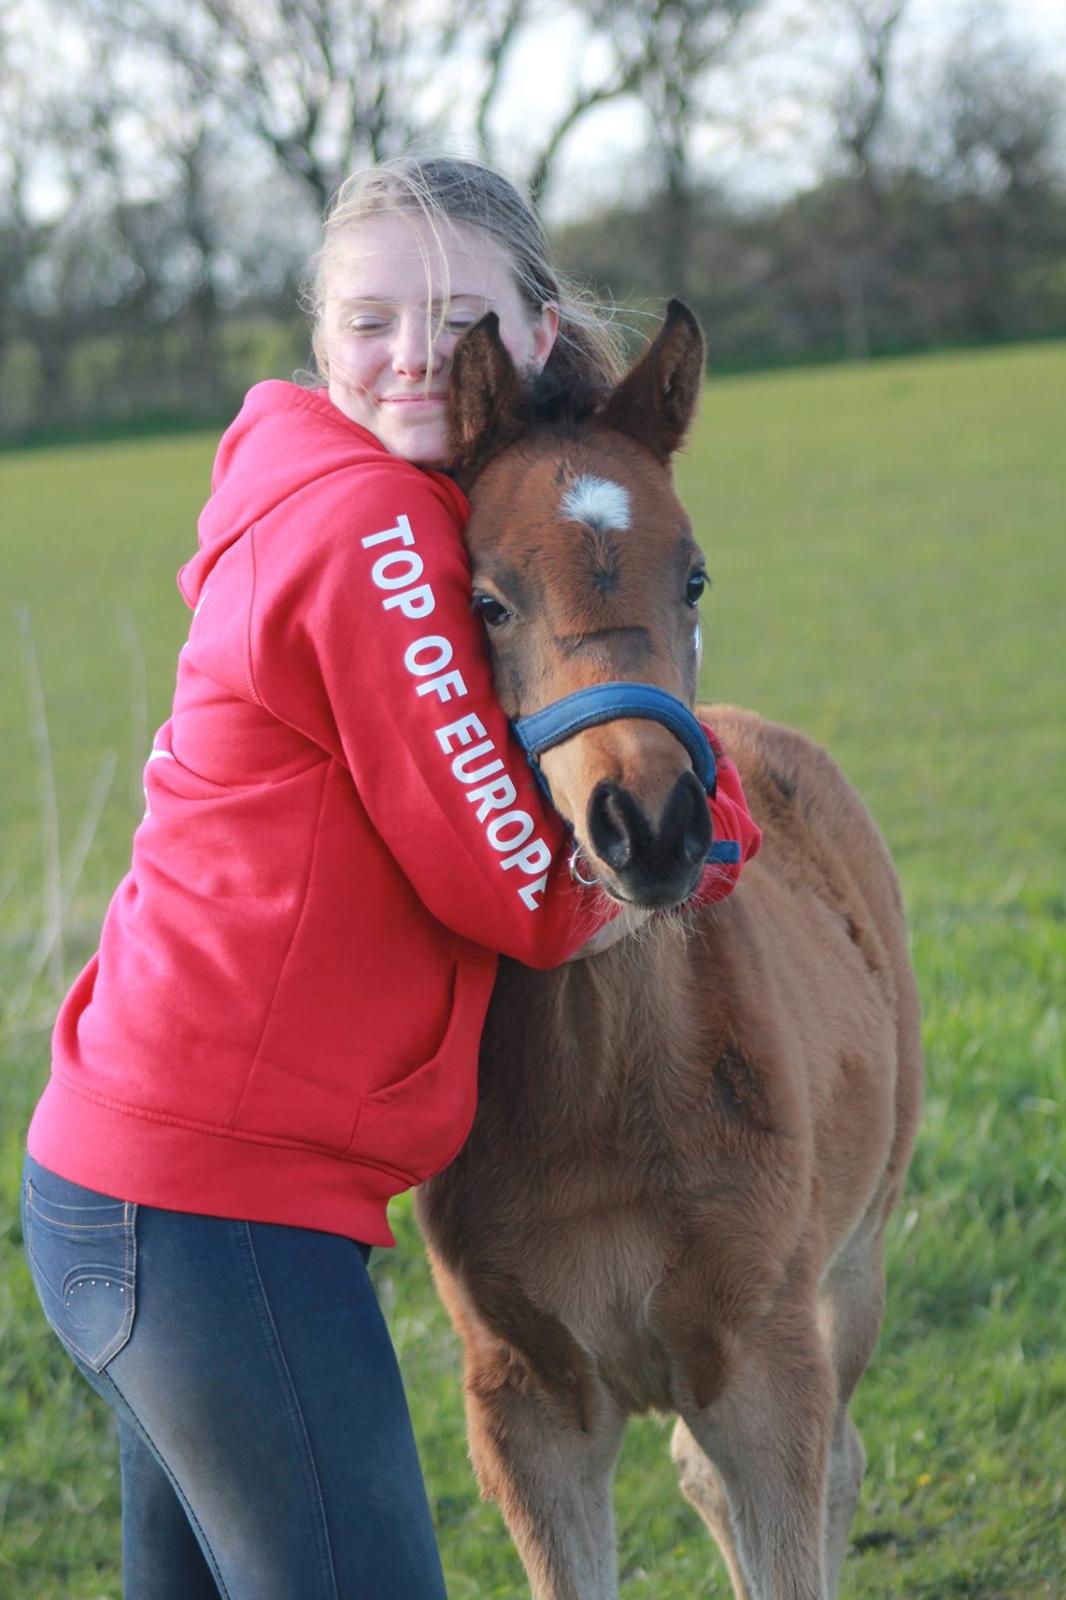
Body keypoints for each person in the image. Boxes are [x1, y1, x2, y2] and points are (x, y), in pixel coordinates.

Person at [21, 155, 761, 1599]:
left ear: (534, 338)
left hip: (150, 1184)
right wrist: (709, 827)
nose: (413, 353)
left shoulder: (361, 494)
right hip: (206, 1213)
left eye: (454, 315)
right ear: (316, 340)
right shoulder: (365, 529)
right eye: (370, 319)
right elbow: (530, 897)